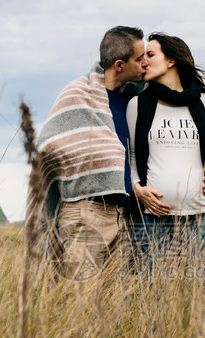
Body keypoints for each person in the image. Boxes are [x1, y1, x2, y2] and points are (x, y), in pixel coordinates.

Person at [126, 32, 205, 276]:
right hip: (152, 215)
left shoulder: (202, 101)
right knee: (150, 287)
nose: (144, 62)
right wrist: (137, 189)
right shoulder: (138, 105)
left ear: (171, 61)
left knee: (197, 288)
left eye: (151, 55)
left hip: (198, 214)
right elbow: (132, 156)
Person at [25, 26, 147, 279]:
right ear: (119, 65)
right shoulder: (78, 95)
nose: (146, 62)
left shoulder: (134, 101)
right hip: (84, 213)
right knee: (80, 305)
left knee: (114, 307)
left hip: (121, 216)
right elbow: (49, 149)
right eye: (139, 58)